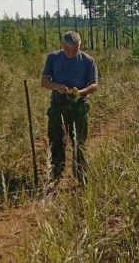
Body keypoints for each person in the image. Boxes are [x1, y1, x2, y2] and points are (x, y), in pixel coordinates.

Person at [41, 31, 98, 185]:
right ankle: (55, 176)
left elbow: (94, 84)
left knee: (79, 143)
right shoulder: (53, 58)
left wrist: (80, 92)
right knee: (56, 141)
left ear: (80, 46)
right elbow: (45, 81)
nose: (72, 53)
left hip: (79, 107)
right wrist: (57, 87)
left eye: (76, 50)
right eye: (69, 50)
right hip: (58, 106)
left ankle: (81, 176)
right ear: (62, 46)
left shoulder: (88, 60)